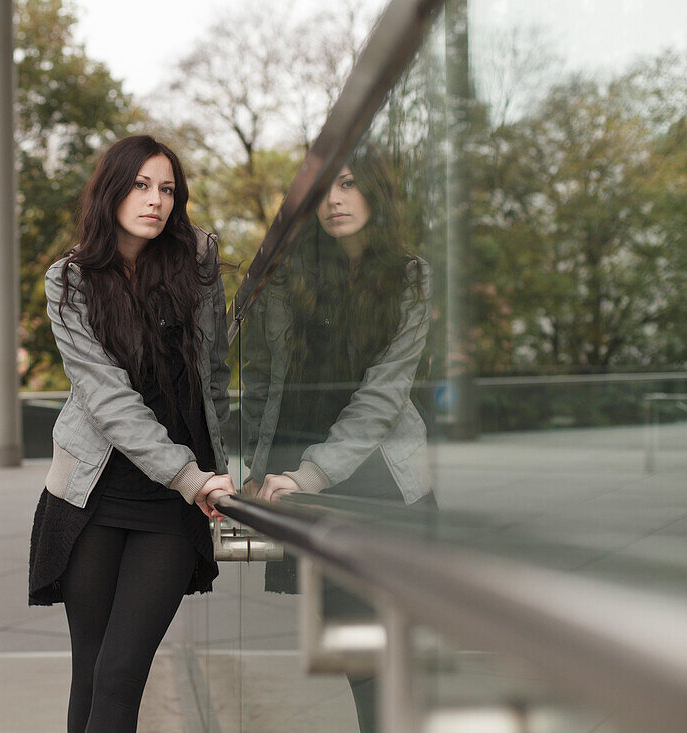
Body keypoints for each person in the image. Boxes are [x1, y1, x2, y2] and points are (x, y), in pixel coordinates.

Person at [28, 134, 236, 733]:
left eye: (167, 189)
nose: (156, 201)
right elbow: (107, 398)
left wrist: (211, 469)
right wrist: (188, 473)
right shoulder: (68, 281)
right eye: (141, 185)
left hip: (173, 501)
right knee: (91, 671)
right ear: (111, 191)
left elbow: (213, 373)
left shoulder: (195, 264)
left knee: (121, 672)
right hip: (93, 494)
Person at [241, 144, 433, 733]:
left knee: (389, 654)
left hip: (377, 476)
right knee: (361, 656)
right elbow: (259, 381)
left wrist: (311, 473)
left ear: (375, 191)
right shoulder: (282, 277)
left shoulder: (409, 275)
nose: (335, 200)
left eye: (348, 184)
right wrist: (257, 464)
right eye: (322, 188)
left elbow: (383, 396)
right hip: (300, 477)